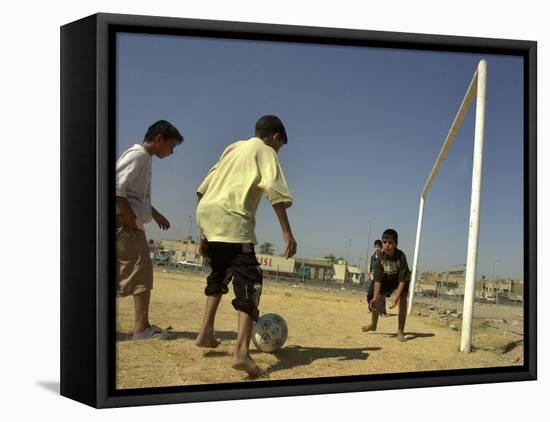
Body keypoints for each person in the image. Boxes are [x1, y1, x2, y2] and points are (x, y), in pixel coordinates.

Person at [194, 115, 297, 378]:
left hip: (209, 217)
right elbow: (275, 192)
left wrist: (203, 234)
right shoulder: (266, 151)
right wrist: (287, 233)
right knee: (250, 282)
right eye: (280, 147)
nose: (278, 152)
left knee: (219, 275)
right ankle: (241, 352)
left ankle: (205, 332)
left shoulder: (233, 148)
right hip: (233, 220)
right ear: (275, 138)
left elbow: (202, 190)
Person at [115, 120, 183, 339]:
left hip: (129, 222)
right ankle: (142, 328)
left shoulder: (143, 158)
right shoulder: (139, 156)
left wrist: (154, 214)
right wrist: (129, 219)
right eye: (171, 146)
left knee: (126, 272)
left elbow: (134, 195)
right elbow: (117, 188)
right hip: (125, 224)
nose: (171, 152)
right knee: (141, 270)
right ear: (159, 139)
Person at [362, 229, 410, 342]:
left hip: (399, 281)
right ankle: (373, 325)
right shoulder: (381, 258)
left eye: (390, 242)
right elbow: (377, 280)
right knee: (377, 299)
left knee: (403, 301)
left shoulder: (401, 256)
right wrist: (374, 298)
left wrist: (396, 298)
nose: (387, 245)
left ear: (396, 244)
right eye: (385, 242)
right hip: (386, 280)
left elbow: (403, 280)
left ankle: (400, 331)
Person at [367, 239, 387, 316]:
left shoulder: (384, 257)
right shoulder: (372, 258)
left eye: (378, 247)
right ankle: (371, 307)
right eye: (375, 247)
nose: (377, 248)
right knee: (369, 295)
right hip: (373, 279)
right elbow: (369, 268)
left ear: (381, 248)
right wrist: (370, 275)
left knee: (381, 296)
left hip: (381, 280)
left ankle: (382, 312)